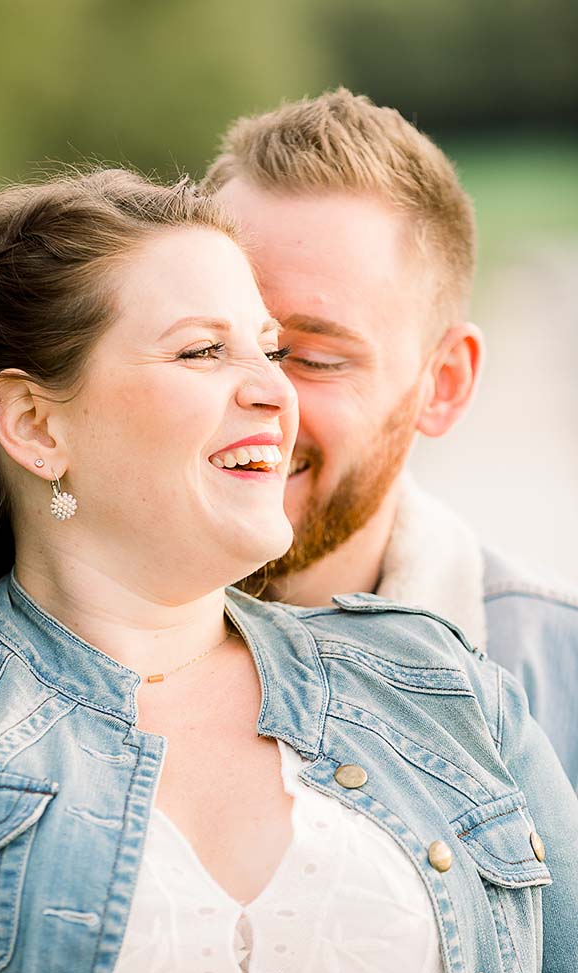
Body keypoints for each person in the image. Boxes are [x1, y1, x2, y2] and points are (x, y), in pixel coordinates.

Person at [0, 167, 577, 973]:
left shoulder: (439, 682)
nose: (273, 391)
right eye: (203, 351)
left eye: (272, 349)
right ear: (36, 424)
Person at [204, 87, 578, 791]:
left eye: (313, 359)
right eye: (206, 344)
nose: (256, 394)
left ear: (443, 384)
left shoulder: (558, 683)